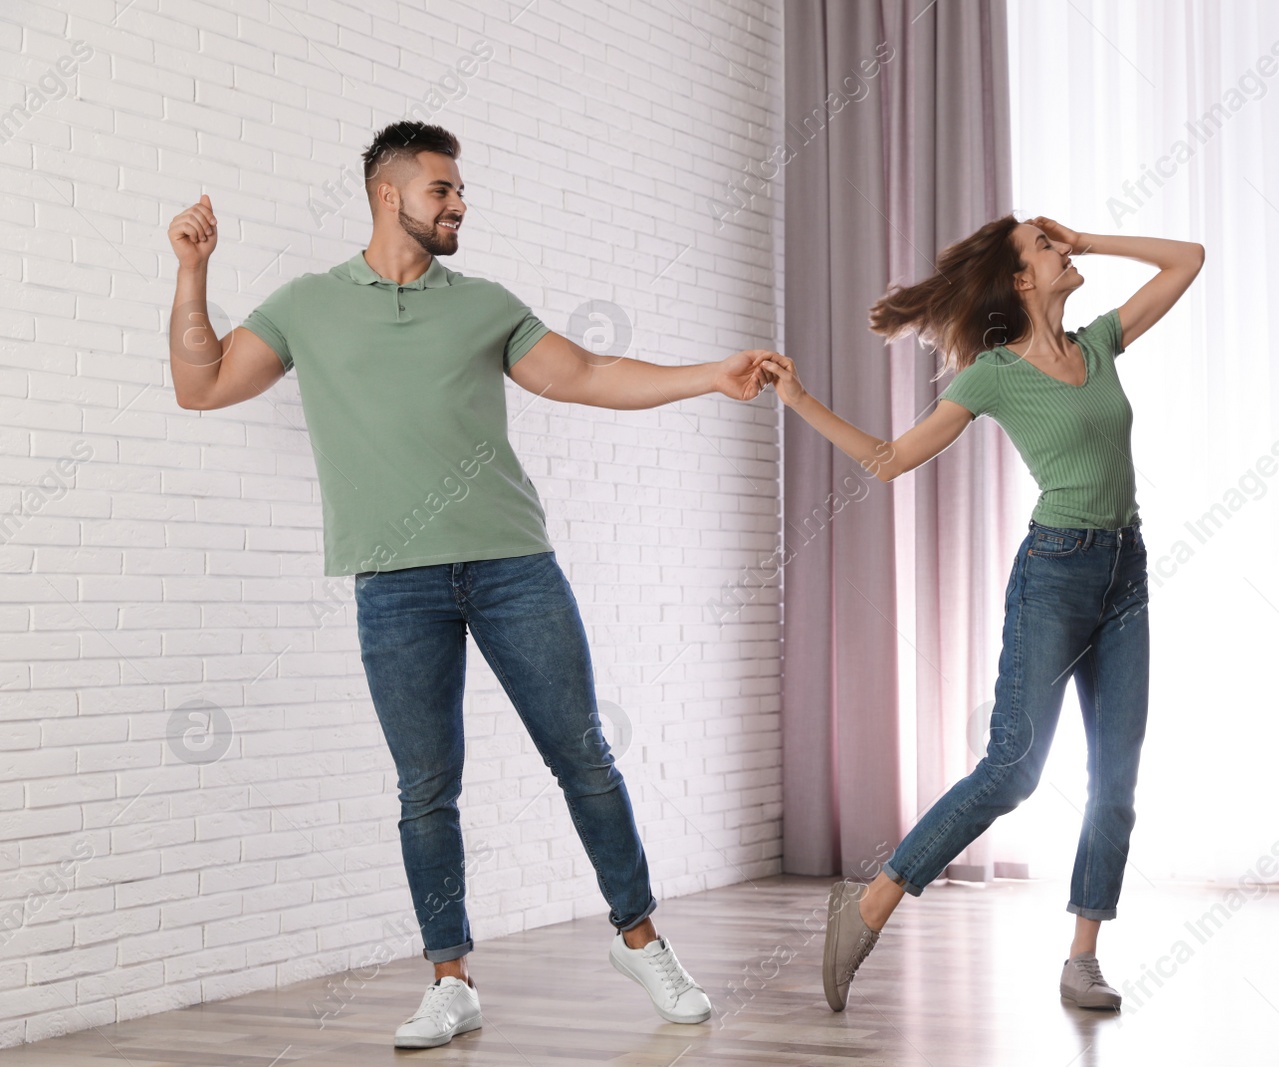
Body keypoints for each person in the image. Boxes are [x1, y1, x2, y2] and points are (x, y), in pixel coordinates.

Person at [164, 121, 774, 1047]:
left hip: (511, 567)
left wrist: (709, 375)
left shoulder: (482, 303)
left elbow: (586, 374)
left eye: (459, 192)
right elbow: (199, 386)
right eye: (443, 190)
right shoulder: (307, 306)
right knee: (425, 790)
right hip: (392, 584)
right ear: (388, 193)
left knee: (583, 758)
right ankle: (450, 978)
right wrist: (193, 270)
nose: (458, 204)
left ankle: (641, 938)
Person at [759, 214, 1203, 1012]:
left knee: (1117, 780)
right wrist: (797, 397)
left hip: (1125, 570)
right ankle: (869, 905)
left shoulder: (1098, 342)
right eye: (1046, 246)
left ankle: (1082, 956)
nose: (1061, 250)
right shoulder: (994, 374)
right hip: (1056, 574)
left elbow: (1188, 260)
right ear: (1020, 280)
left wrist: (1092, 241)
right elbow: (890, 460)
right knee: (1012, 770)